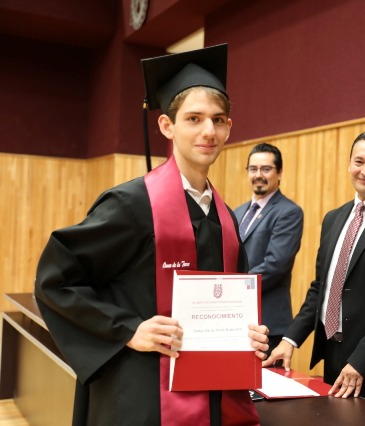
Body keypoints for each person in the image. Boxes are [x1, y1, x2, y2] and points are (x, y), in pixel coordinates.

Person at [34, 44, 269, 426]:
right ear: (166, 126)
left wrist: (248, 335)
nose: (208, 131)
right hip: (141, 396)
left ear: (229, 127)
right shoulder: (131, 206)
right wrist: (128, 329)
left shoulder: (225, 217)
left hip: (213, 395)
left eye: (218, 120)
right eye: (193, 118)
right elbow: (55, 281)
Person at [264, 129, 365, 408]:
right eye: (359, 161)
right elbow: (321, 289)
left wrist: (361, 361)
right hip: (332, 355)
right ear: (349, 164)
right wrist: (290, 339)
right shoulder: (334, 219)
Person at [234, 143, 304, 356]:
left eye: (266, 169)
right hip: (236, 320)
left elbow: (275, 265)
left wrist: (231, 287)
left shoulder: (289, 212)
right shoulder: (237, 212)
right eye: (253, 169)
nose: (258, 175)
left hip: (267, 324)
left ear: (279, 173)